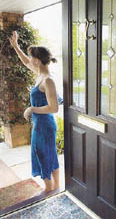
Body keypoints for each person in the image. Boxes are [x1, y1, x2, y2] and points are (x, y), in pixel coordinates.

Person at [9, 31, 60, 193]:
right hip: (41, 124)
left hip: (44, 125)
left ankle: (49, 190)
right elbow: (25, 62)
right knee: (49, 155)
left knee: (42, 155)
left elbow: (54, 108)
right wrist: (16, 46)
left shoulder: (48, 80)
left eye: (32, 58)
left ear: (37, 61)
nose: (30, 60)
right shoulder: (40, 74)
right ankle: (55, 188)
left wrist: (32, 109)